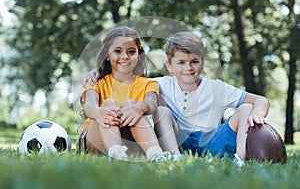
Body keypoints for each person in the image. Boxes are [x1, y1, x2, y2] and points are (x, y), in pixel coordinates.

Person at [83, 31, 269, 166]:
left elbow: (261, 100)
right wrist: (98, 72)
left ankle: (241, 159)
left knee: (245, 108)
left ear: (202, 63)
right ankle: (174, 158)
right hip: (178, 141)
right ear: (169, 66)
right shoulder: (161, 84)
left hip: (211, 141)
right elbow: (127, 77)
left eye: (194, 62)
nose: (188, 68)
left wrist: (257, 114)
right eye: (180, 62)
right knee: (162, 112)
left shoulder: (217, 88)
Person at [77, 26, 181, 162]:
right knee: (110, 104)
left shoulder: (148, 84)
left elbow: (152, 103)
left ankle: (156, 155)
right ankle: (115, 154)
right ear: (107, 55)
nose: (125, 57)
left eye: (131, 52)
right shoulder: (96, 81)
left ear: (139, 54)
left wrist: (140, 108)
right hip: (96, 140)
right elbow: (89, 106)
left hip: (130, 142)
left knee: (132, 106)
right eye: (118, 51)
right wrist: (99, 113)